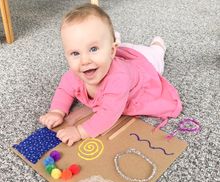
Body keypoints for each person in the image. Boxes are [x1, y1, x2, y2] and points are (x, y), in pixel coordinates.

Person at [39, 3, 182, 146]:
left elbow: (109, 114)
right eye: (75, 53)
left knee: (154, 55)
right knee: (115, 45)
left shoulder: (118, 79)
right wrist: (57, 111)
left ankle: (158, 46)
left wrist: (80, 131)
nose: (84, 61)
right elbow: (64, 90)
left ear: (112, 52)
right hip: (118, 54)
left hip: (144, 67)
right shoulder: (75, 75)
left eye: (93, 49)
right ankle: (107, 42)